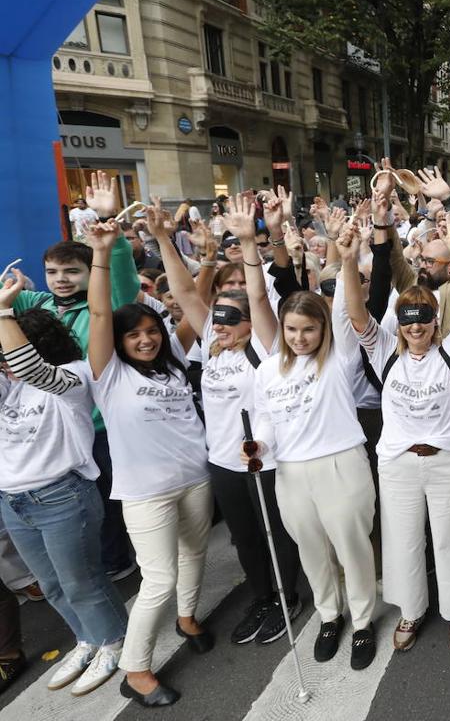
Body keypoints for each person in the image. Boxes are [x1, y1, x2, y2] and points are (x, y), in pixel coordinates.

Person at [146, 195, 303, 647]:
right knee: (245, 537)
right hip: (222, 463)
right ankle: (261, 595)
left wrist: (250, 242)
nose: (219, 326)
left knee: (275, 533)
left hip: (263, 460)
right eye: (217, 319)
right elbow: (184, 295)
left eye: (231, 319)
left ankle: (285, 595)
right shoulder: (212, 347)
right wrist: (162, 239)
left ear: (252, 323)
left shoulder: (264, 348)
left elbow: (256, 292)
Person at [338, 214, 450, 654]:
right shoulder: (384, 351)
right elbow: (356, 314)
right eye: (408, 319)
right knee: (403, 540)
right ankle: (411, 608)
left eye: (423, 318)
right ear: (399, 322)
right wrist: (348, 262)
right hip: (399, 463)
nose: (416, 327)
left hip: (446, 461)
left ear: (432, 320)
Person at [85, 220, 213, 707]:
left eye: (151, 331)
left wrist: (172, 242)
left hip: (195, 478)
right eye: (134, 335)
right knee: (158, 577)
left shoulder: (175, 354)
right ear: (118, 342)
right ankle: (135, 669)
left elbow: (192, 297)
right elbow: (100, 313)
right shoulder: (108, 374)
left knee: (193, 556)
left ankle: (187, 619)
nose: (146, 340)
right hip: (145, 492)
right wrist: (102, 251)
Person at [0, 277, 129, 696]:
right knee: (52, 584)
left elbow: (30, 368)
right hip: (14, 502)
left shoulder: (71, 378)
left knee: (81, 580)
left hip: (62, 497)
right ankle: (87, 639)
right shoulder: (8, 384)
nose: (5, 364)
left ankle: (113, 641)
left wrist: (4, 313)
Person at [12, 172, 140, 582]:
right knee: (75, 507)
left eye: (71, 271)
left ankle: (119, 564)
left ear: (90, 272)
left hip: (101, 426)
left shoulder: (107, 305)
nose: (61, 279)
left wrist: (112, 237)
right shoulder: (38, 303)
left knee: (107, 500)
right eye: (52, 271)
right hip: (53, 431)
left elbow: (120, 280)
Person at [246, 281, 379, 671]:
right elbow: (266, 418)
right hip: (290, 472)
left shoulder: (341, 356)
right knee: (311, 548)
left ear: (323, 329)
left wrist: (346, 257)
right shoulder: (268, 369)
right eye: (291, 329)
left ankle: (364, 621)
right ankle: (329, 616)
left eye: (308, 329)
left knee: (351, 547)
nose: (299, 337)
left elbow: (346, 309)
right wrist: (258, 446)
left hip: (341, 463)